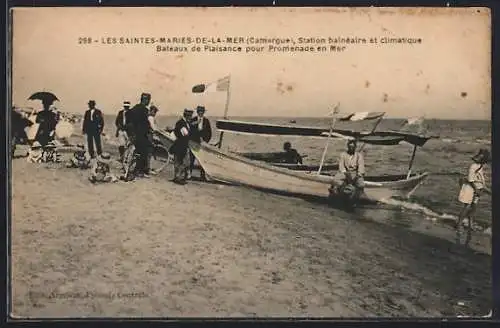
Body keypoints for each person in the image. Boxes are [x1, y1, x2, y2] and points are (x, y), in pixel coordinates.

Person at [456, 148, 491, 246]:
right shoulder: (473, 166)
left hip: (477, 189)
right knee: (466, 206)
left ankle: (470, 224)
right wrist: (476, 190)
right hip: (470, 188)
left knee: (473, 208)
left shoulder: (480, 166)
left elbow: (480, 179)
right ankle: (459, 224)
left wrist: (483, 189)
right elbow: (471, 180)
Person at [127, 93, 152, 178]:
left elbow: (129, 121)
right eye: (148, 100)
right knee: (144, 152)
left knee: (138, 152)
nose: (149, 102)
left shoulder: (134, 108)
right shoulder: (144, 110)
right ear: (146, 100)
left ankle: (135, 170)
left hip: (134, 134)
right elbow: (146, 123)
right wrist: (149, 130)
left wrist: (131, 133)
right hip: (141, 134)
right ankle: (139, 171)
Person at [169, 108, 193, 185]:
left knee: (180, 162)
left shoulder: (184, 122)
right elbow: (185, 134)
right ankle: (178, 177)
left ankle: (178, 177)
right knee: (182, 162)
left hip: (180, 144)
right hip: (181, 145)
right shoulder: (181, 123)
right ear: (186, 115)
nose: (190, 117)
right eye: (189, 115)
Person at [189, 105, 212, 180]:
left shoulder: (206, 121)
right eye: (199, 111)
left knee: (203, 159)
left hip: (203, 143)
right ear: (197, 112)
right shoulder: (193, 120)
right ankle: (189, 174)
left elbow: (209, 133)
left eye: (202, 111)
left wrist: (205, 141)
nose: (201, 113)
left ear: (204, 112)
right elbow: (190, 131)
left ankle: (202, 176)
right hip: (194, 142)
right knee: (191, 159)